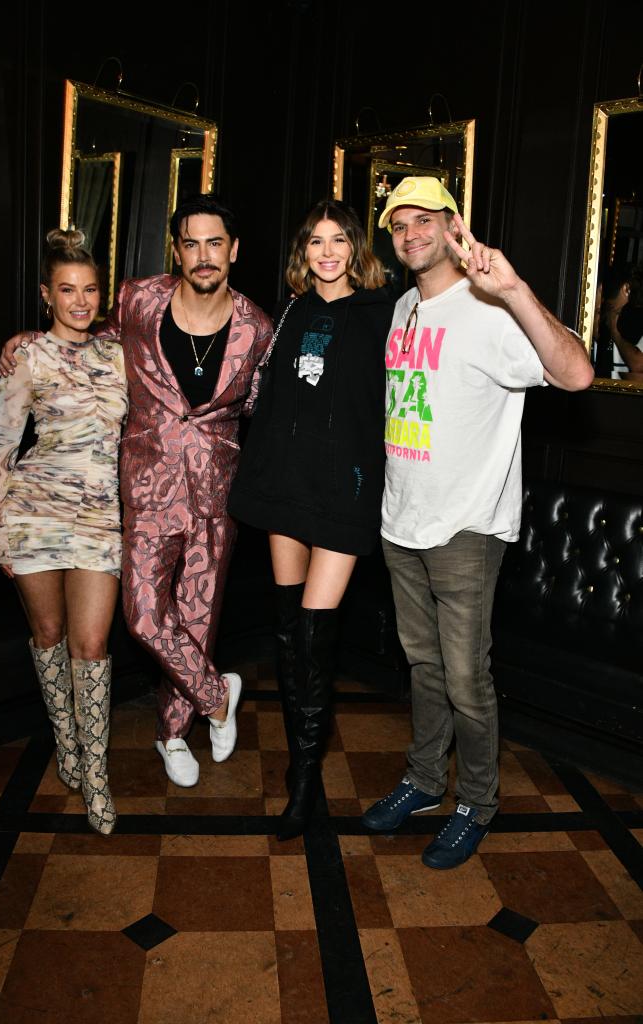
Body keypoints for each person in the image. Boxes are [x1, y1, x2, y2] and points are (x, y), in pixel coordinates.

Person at [0, 195, 273, 789]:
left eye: (215, 243)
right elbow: (86, 336)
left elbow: (255, 407)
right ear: (177, 250)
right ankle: (215, 693)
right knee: (145, 616)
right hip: (144, 488)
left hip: (217, 492)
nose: (204, 256)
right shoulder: (138, 299)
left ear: (233, 250)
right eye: (192, 243)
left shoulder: (257, 327)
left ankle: (172, 733)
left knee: (199, 617)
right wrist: (27, 338)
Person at [360, 176, 594, 868]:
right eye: (396, 225)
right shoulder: (404, 305)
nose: (408, 235)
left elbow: (577, 375)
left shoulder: (489, 307)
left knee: (465, 678)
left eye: (421, 221)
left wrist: (515, 288)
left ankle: (476, 802)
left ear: (452, 223)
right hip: (401, 520)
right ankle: (425, 780)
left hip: (466, 526)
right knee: (423, 667)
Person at [228, 199, 393, 839]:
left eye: (339, 241)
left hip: (344, 493)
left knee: (318, 634)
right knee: (289, 628)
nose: (327, 252)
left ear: (356, 248)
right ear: (305, 250)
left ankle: (302, 779)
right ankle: (305, 773)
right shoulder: (291, 310)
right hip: (284, 485)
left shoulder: (384, 311)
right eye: (316, 241)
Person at [0, 228, 127, 835]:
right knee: (46, 633)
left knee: (90, 644)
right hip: (32, 511)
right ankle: (67, 743)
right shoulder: (26, 355)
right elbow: (3, 444)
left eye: (90, 289)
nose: (80, 301)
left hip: (99, 516)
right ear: (47, 294)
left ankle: (95, 775)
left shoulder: (119, 353)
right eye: (67, 290)